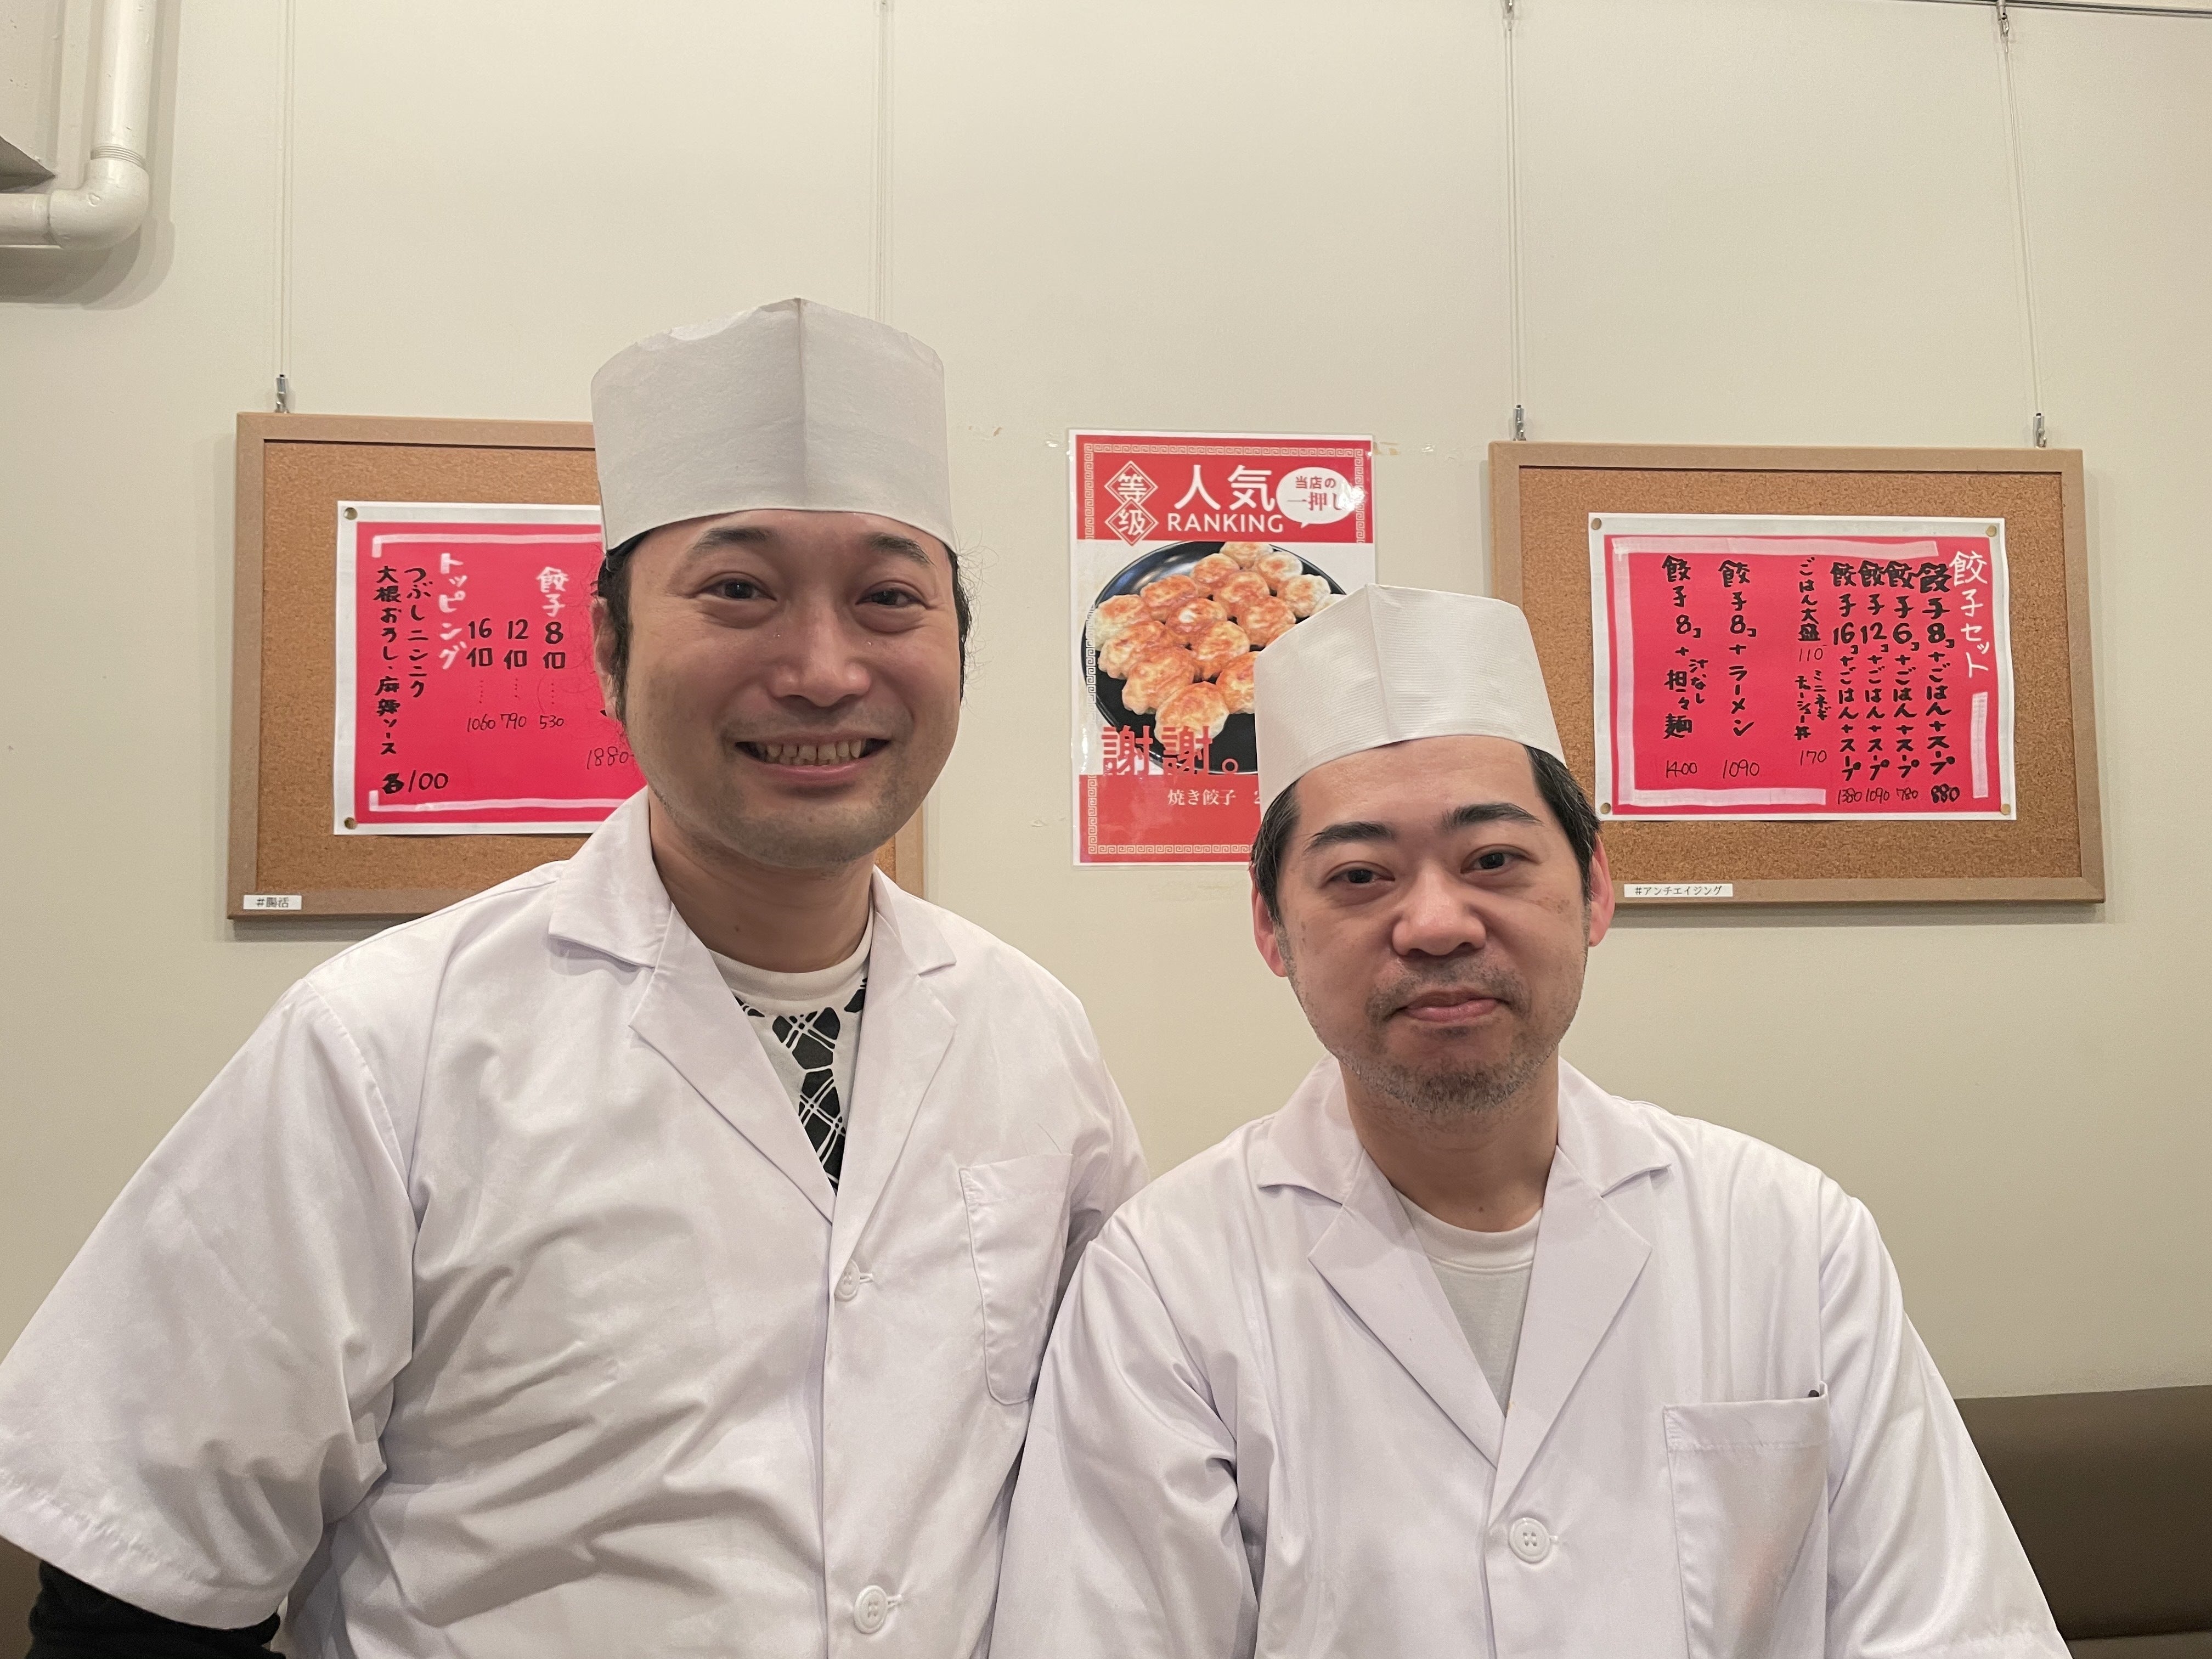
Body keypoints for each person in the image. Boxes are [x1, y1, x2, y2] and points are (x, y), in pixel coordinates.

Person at [0, 298, 1145, 1657]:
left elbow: (1103, 1475)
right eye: (739, 590)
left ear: (958, 647)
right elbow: (144, 1582)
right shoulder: (388, 1044)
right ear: (607, 649)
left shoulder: (1032, 1032)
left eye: (889, 598)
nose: (824, 670)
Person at [992, 584, 2062, 1658]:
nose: (1436, 923)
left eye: (1494, 860)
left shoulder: (1791, 1237)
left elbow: (1957, 1629)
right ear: (1272, 928)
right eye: (1360, 876)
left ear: (1594, 889)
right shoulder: (1165, 1283)